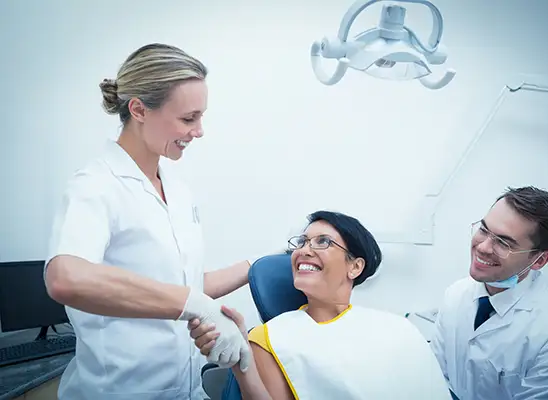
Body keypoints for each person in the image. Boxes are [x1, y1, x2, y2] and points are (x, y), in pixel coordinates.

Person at [44, 43, 255, 400]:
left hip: (185, 390)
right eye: (189, 118)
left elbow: (181, 284)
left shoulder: (176, 188)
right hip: (118, 392)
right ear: (139, 109)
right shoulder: (96, 185)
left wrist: (256, 266)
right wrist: (193, 303)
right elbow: (65, 277)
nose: (199, 130)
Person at [189, 210, 452, 399]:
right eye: (301, 242)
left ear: (355, 266)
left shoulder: (398, 328)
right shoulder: (269, 339)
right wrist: (241, 364)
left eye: (323, 242)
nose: (304, 250)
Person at [430, 186, 548, 400]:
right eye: (484, 230)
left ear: (539, 260)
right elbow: (435, 378)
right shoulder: (455, 295)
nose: (483, 247)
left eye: (504, 242)